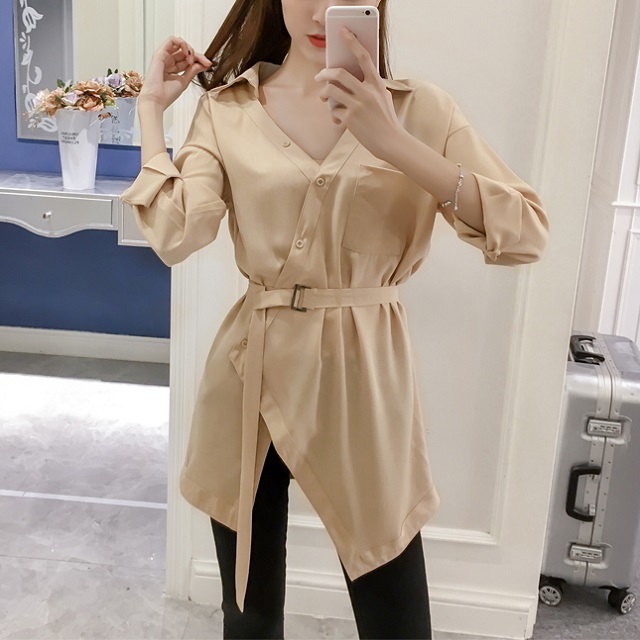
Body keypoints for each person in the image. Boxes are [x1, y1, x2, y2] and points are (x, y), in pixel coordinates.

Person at [122, 1, 549, 638]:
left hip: (364, 386)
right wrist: (152, 110)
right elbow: (178, 234)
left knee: (396, 619)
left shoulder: (421, 110)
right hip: (250, 380)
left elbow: (526, 233)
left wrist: (393, 142)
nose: (323, 10)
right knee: (249, 620)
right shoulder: (228, 108)